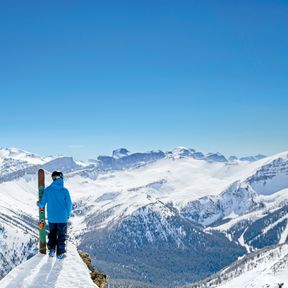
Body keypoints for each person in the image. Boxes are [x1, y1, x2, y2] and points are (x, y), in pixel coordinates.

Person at [37, 171, 72, 259]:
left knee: (52, 234)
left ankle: (52, 249)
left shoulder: (48, 190)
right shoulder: (65, 191)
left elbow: (42, 204)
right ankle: (60, 253)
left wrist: (38, 203)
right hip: (62, 218)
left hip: (52, 218)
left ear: (54, 178)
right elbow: (69, 205)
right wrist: (68, 215)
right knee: (61, 236)